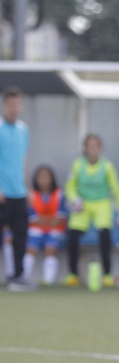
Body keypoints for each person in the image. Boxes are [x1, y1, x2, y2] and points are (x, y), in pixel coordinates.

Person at [63, 134, 119, 288]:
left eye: (95, 146)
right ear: (85, 148)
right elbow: (70, 186)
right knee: (73, 235)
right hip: (83, 205)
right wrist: (74, 199)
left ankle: (107, 275)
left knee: (104, 235)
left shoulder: (107, 166)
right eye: (89, 146)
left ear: (100, 148)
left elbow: (116, 188)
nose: (92, 149)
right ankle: (73, 275)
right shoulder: (78, 165)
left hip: (102, 203)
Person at [0, 85, 35, 291]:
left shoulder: (24, 130)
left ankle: (18, 276)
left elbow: (24, 160)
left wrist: (27, 187)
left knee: (20, 235)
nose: (14, 108)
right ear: (5, 105)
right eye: (10, 104)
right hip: (2, 194)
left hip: (19, 193)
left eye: (17, 104)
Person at [23, 165, 67, 285]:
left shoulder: (59, 194)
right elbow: (32, 220)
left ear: (52, 178)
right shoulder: (32, 195)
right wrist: (49, 220)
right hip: (36, 230)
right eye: (40, 176)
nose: (43, 179)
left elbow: (60, 219)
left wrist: (43, 220)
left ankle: (48, 280)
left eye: (46, 176)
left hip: (55, 230)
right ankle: (24, 277)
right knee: (31, 248)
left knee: (50, 248)